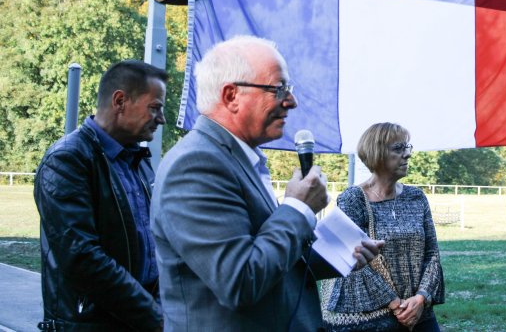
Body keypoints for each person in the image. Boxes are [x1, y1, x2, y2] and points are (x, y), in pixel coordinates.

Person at [150, 36, 382, 331]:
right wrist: (298, 208)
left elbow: (262, 255)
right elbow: (240, 280)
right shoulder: (195, 165)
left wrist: (334, 255)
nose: (291, 101)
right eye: (278, 89)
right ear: (231, 96)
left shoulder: (235, 159)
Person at [33, 60, 168, 331]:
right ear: (120, 101)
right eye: (155, 108)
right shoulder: (67, 160)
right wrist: (156, 318)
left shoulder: (138, 159)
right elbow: (82, 258)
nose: (161, 118)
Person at [323, 123, 445, 331]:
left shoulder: (416, 197)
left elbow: (432, 253)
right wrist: (395, 304)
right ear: (376, 154)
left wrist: (421, 298)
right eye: (398, 149)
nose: (407, 155)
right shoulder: (353, 199)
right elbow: (352, 262)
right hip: (369, 318)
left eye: (407, 147)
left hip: (419, 313)